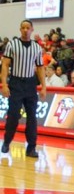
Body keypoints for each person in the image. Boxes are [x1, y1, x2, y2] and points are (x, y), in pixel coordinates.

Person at [1, 19, 46, 158]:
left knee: (32, 117)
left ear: (32, 29)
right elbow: (5, 65)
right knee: (14, 115)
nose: (25, 30)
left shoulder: (37, 48)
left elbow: (40, 67)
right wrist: (4, 84)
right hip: (16, 83)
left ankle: (31, 148)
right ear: (20, 29)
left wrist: (43, 86)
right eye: (23, 28)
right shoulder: (12, 45)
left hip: (30, 84)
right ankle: (7, 141)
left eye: (28, 28)